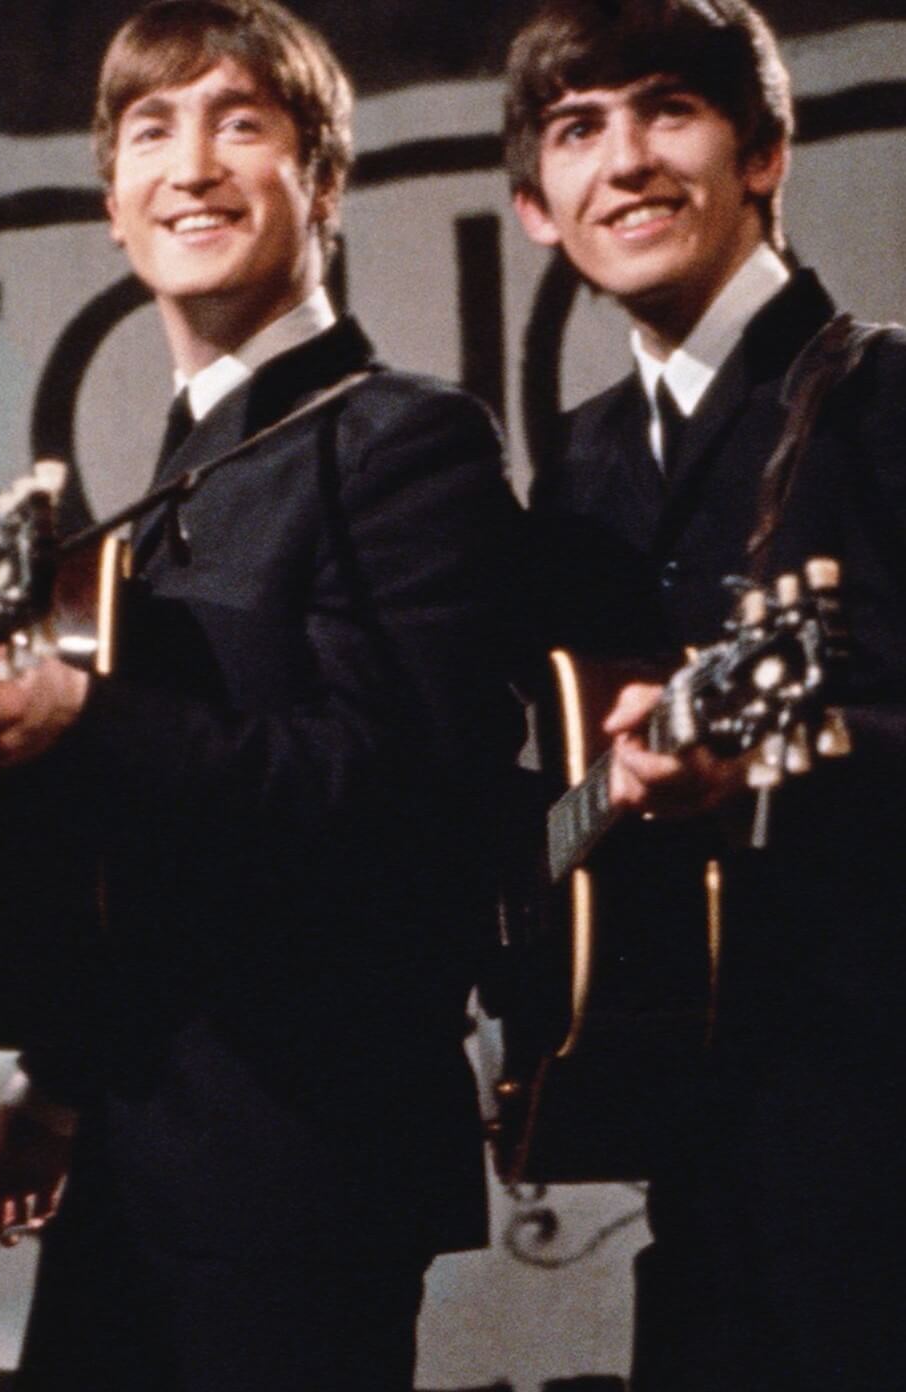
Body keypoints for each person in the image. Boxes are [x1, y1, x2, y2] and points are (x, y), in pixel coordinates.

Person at [0, 2, 523, 1387]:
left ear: (322, 177)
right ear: (113, 204)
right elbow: (140, 872)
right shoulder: (167, 484)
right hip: (131, 1161)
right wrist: (57, 1084)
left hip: (300, 1166)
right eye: (151, 132)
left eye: (238, 124)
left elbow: (408, 795)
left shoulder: (407, 441)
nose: (190, 167)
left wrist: (85, 719)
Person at [506, 1, 906, 1387]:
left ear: (765, 152)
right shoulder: (576, 469)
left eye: (667, 108)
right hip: (695, 1158)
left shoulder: (884, 398)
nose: (625, 160)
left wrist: (782, 767)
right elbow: (569, 805)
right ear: (535, 209)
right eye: (577, 129)